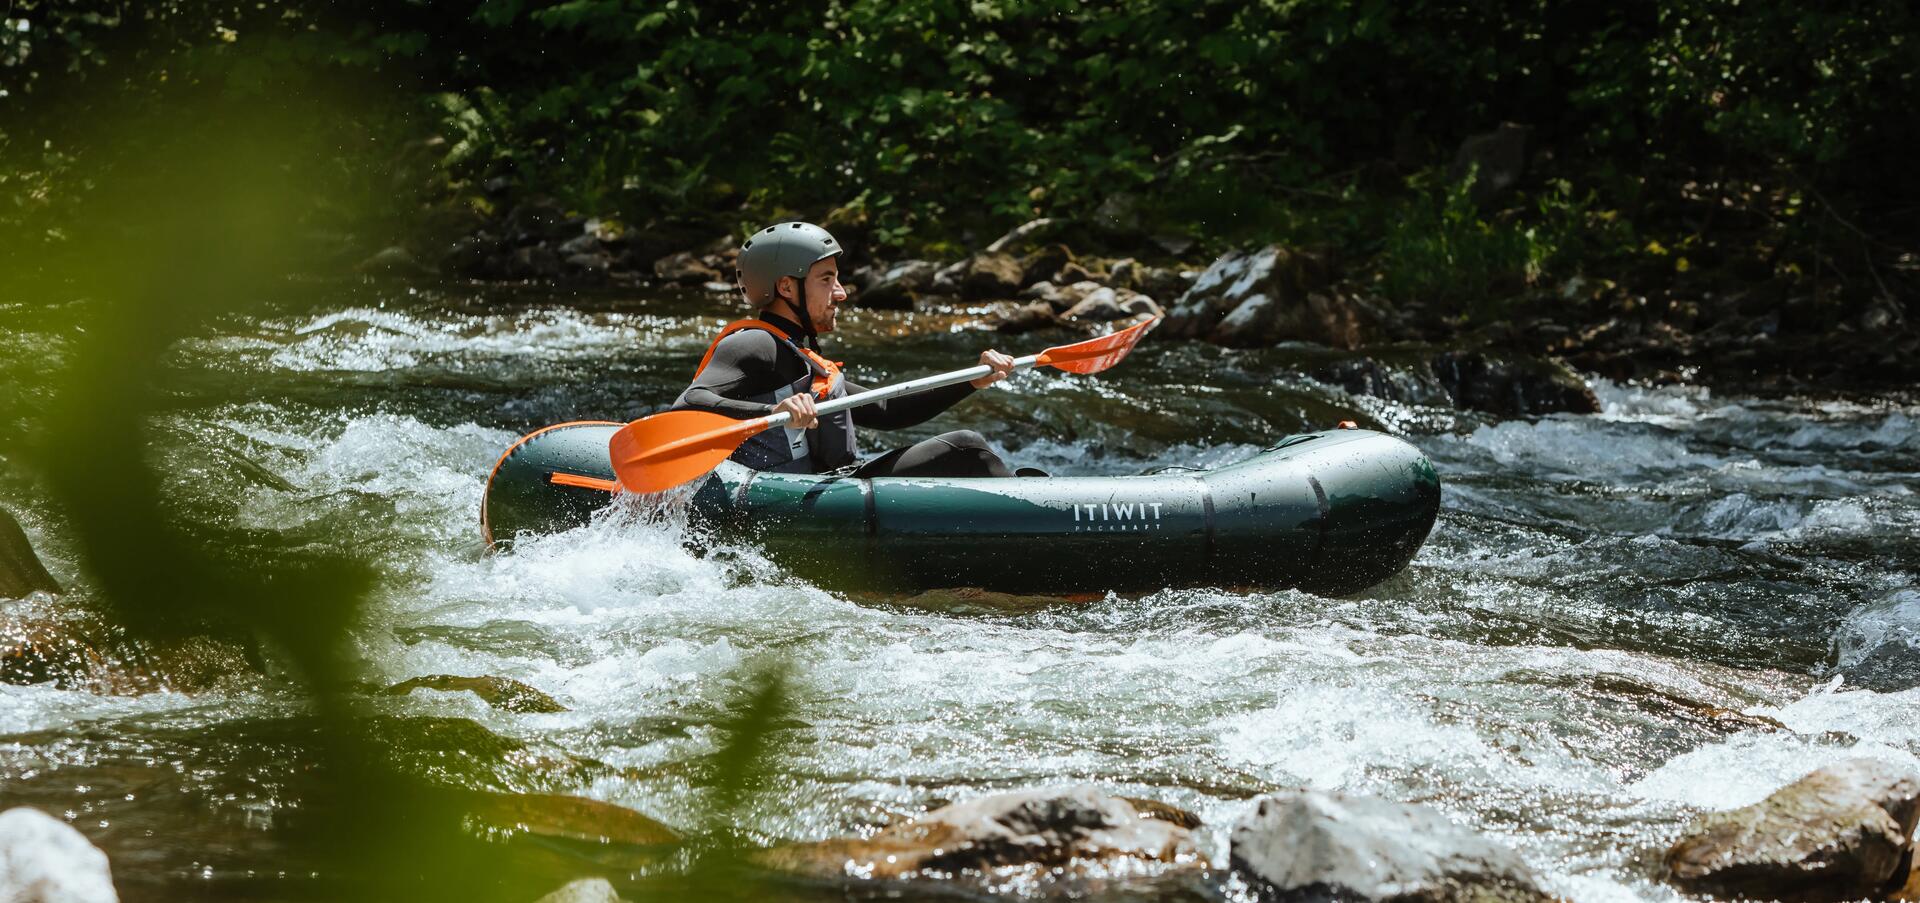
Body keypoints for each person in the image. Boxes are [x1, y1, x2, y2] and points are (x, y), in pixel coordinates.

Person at [669, 221, 1021, 478]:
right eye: (826, 279)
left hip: (835, 486)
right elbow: (691, 401)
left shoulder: (805, 360)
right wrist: (770, 411)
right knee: (966, 447)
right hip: (793, 505)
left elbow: (886, 409)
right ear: (787, 287)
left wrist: (972, 380)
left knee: (964, 451)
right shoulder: (754, 343)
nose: (841, 293)